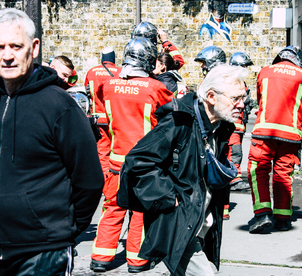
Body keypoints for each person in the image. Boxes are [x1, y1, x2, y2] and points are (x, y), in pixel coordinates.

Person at [0, 8, 103, 275]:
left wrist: (63, 230)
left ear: (33, 48)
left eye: (16, 45)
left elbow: (90, 180)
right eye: (0, 47)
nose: (8, 55)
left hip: (43, 253)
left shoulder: (60, 107)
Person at [118, 64, 248, 275]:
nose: (242, 105)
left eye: (244, 97)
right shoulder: (179, 122)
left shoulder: (221, 127)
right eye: (236, 98)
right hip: (179, 222)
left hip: (201, 223)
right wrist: (170, 197)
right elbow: (138, 160)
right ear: (212, 97)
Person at [90, 37, 173, 273]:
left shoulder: (107, 86)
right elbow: (169, 122)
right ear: (148, 59)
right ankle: (137, 261)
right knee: (140, 211)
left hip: (116, 162)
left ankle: (100, 258)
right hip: (144, 164)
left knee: (112, 208)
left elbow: (104, 125)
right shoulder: (157, 88)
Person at [247, 46, 302, 233]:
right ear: (299, 61)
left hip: (264, 133)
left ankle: (262, 214)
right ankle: (283, 218)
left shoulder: (264, 72)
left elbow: (263, 102)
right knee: (283, 175)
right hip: (290, 136)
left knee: (258, 170)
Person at [221, 52, 254, 220]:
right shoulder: (232, 81)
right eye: (245, 66)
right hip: (233, 127)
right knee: (234, 154)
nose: (247, 70)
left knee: (233, 155)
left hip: (238, 127)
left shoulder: (240, 81)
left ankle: (224, 208)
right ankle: (234, 178)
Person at [84, 47, 121, 175]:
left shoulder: (91, 72)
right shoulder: (120, 71)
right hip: (114, 117)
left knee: (102, 150)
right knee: (116, 150)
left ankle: (104, 177)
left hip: (98, 118)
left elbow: (87, 92)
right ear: (113, 58)